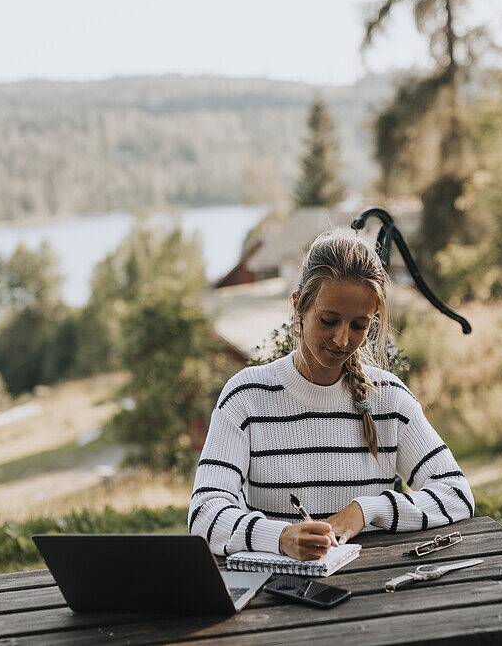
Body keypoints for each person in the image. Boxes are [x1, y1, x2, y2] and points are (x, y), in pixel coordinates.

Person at [188, 229, 474, 560]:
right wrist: (281, 537)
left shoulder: (389, 399)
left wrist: (368, 511)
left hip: (375, 592)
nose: (341, 340)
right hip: (278, 599)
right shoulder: (246, 397)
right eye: (329, 320)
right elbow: (204, 514)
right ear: (299, 306)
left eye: (358, 326)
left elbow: (457, 494)